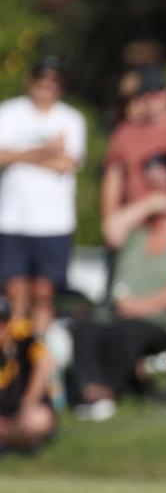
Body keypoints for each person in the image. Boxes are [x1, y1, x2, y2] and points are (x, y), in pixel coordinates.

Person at [68, 159, 166, 419]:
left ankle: (108, 392)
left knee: (128, 331)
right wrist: (150, 203)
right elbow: (111, 229)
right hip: (114, 314)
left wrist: (140, 306)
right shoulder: (136, 237)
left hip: (156, 321)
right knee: (84, 328)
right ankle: (87, 391)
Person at [0, 56, 87, 335]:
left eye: (54, 81)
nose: (47, 86)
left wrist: (19, 156)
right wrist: (47, 151)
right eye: (42, 80)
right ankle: (13, 360)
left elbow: (67, 163)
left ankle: (37, 351)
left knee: (44, 293)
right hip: (12, 219)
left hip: (54, 223)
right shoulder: (8, 112)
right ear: (31, 82)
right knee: (14, 292)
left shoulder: (71, 118)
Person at [101, 64, 166, 227]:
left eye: (159, 91)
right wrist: (110, 222)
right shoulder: (125, 132)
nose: (153, 98)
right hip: (137, 229)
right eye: (147, 92)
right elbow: (112, 181)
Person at [0, 296, 56, 452]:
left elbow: (45, 363)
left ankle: (15, 443)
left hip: (20, 411)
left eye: (3, 321)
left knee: (38, 420)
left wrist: (29, 402)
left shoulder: (21, 335)